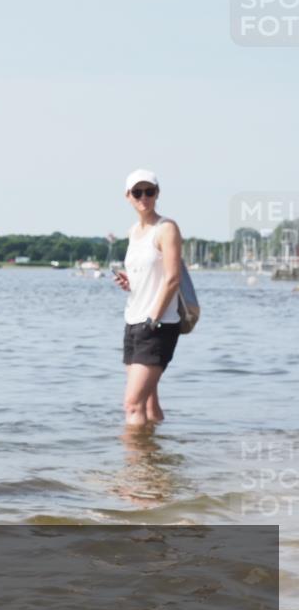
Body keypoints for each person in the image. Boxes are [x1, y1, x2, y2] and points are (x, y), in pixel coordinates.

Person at [113, 169, 182, 427]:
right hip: (133, 321)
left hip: (157, 324)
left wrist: (153, 318)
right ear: (128, 196)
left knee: (132, 404)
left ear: (157, 193)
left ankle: (135, 466)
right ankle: (156, 462)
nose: (144, 197)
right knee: (149, 404)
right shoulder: (133, 231)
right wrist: (131, 282)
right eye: (137, 192)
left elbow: (173, 278)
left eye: (149, 191)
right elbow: (151, 275)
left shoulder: (166, 228)